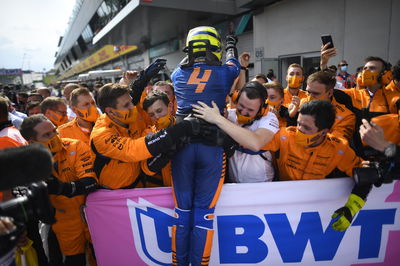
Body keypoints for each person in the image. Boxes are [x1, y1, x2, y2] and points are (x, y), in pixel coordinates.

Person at [170, 26, 240, 265]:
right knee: (204, 214)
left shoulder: (177, 75)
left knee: (182, 214)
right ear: (214, 48)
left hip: (182, 150)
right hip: (212, 148)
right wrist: (231, 44)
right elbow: (234, 61)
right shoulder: (226, 73)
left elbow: (183, 65)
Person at [90, 82, 201, 190]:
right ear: (111, 112)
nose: (133, 107)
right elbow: (133, 150)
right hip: (113, 195)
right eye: (126, 105)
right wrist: (174, 137)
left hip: (141, 186)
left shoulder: (134, 119)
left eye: (131, 102)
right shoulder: (101, 134)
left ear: (170, 106)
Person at [19, 114, 98, 266]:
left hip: (92, 219)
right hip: (62, 226)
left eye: (54, 131)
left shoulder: (75, 146)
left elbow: (91, 182)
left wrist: (60, 187)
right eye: (47, 135)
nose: (54, 136)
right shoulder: (27, 163)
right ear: (32, 142)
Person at [193, 81, 279, 183]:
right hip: (234, 180)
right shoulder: (229, 115)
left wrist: (218, 119)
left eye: (250, 110)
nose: (243, 112)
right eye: (241, 106)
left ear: (262, 110)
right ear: (236, 99)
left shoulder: (269, 118)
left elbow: (256, 143)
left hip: (261, 181)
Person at [297, 71, 356, 141]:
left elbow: (336, 143)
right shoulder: (302, 102)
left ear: (330, 93)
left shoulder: (346, 117)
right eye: (308, 92)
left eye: (315, 94)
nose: (310, 98)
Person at [140, 90, 176, 187]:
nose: (156, 116)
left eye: (159, 111)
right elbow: (146, 168)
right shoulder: (147, 134)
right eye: (151, 114)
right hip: (163, 191)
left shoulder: (184, 125)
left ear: (170, 106)